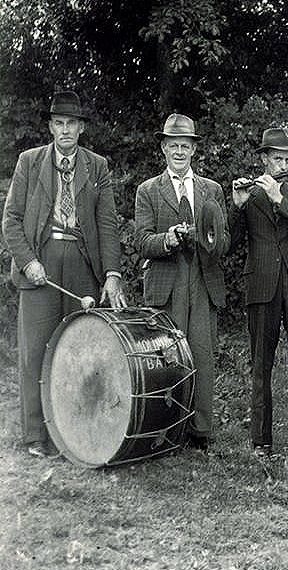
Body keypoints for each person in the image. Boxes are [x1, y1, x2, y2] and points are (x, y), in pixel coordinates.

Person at [3, 89, 126, 458]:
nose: (65, 130)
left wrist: (113, 274)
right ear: (51, 126)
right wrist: (28, 262)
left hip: (81, 264)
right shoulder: (29, 162)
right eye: (58, 123)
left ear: (81, 127)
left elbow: (107, 225)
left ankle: (71, 433)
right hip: (40, 261)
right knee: (35, 351)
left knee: (79, 349)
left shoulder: (97, 166)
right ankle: (35, 435)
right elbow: (11, 220)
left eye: (71, 123)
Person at [134, 113, 230, 452]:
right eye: (173, 145)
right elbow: (141, 240)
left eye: (185, 146)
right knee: (168, 357)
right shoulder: (148, 190)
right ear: (163, 148)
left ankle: (200, 430)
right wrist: (168, 240)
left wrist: (211, 241)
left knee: (202, 354)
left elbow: (226, 240)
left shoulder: (211, 190)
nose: (179, 151)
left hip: (203, 281)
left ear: (193, 149)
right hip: (168, 281)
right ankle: (165, 430)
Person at [230, 126, 288, 456]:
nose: (283, 164)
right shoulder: (249, 195)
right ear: (264, 159)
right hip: (262, 286)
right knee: (260, 364)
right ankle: (260, 441)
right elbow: (232, 242)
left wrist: (279, 198)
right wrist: (237, 206)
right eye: (278, 158)